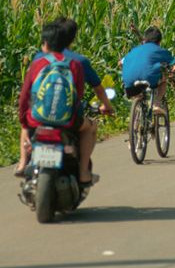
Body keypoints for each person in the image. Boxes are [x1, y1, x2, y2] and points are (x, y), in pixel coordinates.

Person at [16, 18, 114, 186]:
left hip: (37, 119)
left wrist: (24, 118)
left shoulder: (38, 61)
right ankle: (83, 171)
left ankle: (22, 163)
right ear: (69, 41)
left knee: (25, 125)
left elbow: (25, 95)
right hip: (68, 120)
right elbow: (79, 95)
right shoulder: (76, 63)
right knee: (90, 127)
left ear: (46, 43)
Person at [120, 26, 175, 115]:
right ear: (159, 41)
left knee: (137, 97)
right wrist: (172, 72)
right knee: (164, 79)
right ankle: (155, 103)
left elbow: (120, 63)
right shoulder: (160, 50)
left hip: (128, 82)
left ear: (145, 40)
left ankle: (136, 121)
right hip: (148, 77)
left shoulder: (134, 50)